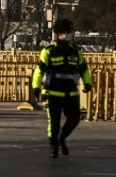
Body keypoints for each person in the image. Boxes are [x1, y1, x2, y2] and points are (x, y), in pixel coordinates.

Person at [32, 18, 93, 158]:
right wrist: (36, 87)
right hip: (54, 93)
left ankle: (62, 139)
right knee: (54, 123)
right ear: (58, 33)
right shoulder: (49, 51)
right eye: (64, 32)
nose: (67, 35)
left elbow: (84, 70)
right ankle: (54, 146)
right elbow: (39, 71)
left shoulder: (75, 52)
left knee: (74, 119)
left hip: (71, 93)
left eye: (69, 32)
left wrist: (88, 83)